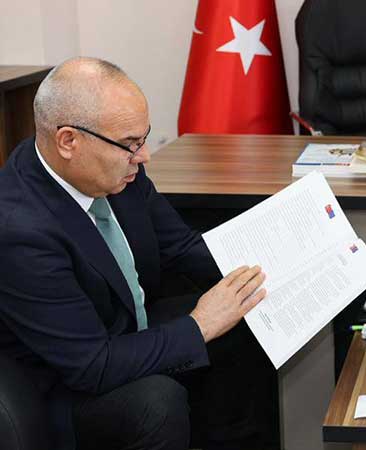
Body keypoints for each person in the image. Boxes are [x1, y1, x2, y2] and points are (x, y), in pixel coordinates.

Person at [0, 57, 276, 450]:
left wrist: (270, 266)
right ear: (68, 141)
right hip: (67, 389)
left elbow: (181, 247)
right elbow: (92, 365)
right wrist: (200, 324)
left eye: (143, 139)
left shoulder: (118, 168)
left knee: (249, 311)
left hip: (127, 327)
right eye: (131, 144)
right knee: (157, 403)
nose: (144, 156)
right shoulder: (19, 230)